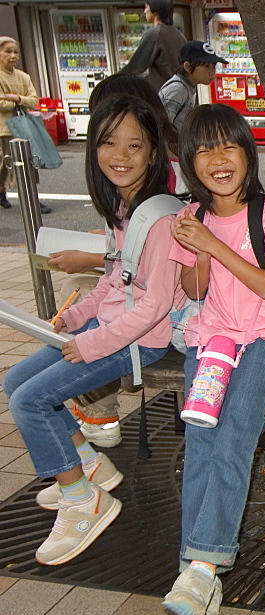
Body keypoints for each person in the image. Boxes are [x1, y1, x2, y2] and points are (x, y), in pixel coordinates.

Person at [1, 94, 180, 565]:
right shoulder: (123, 207)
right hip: (111, 325)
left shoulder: (159, 217)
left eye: (134, 146)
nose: (120, 156)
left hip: (140, 341)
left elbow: (155, 305)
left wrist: (91, 340)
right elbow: (113, 276)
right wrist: (77, 317)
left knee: (30, 400)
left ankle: (83, 499)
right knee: (14, 381)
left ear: (153, 153)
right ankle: (86, 464)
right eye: (108, 142)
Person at [163, 104, 265, 615]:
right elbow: (195, 292)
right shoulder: (190, 218)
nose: (217, 159)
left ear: (248, 150)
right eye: (202, 149)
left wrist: (212, 244)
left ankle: (200, 572)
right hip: (212, 341)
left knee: (235, 438)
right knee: (200, 442)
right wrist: (193, 248)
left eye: (228, 145)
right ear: (189, 163)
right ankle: (200, 580)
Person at [49, 73, 181, 449]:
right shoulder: (128, 190)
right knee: (83, 301)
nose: (118, 151)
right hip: (142, 287)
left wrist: (92, 257)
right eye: (106, 136)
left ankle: (99, 410)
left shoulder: (157, 178)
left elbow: (150, 260)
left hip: (159, 316)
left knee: (81, 289)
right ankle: (92, 408)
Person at [0, 36, 51, 214]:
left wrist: (16, 98)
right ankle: (1, 192)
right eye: (7, 51)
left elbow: (33, 100)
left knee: (27, 164)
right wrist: (19, 101)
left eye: (15, 52)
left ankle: (31, 199)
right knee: (4, 165)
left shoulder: (23, 77)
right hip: (4, 129)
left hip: (23, 128)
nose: (13, 55)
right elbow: (1, 103)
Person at [159, 41, 227, 133]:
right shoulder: (178, 89)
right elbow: (162, 126)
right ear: (188, 66)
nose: (212, 72)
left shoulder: (188, 86)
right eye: (206, 66)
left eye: (213, 66)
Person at [120, 0, 186, 91]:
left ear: (155, 11)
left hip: (164, 92)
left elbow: (135, 67)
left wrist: (111, 81)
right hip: (180, 89)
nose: (144, 11)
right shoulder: (178, 34)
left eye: (146, 7)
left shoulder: (155, 34)